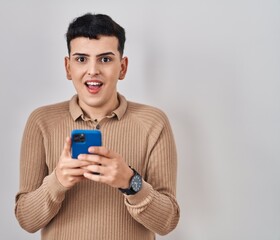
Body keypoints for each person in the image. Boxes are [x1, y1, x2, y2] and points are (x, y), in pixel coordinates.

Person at [15, 13, 180, 240]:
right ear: (68, 67)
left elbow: (167, 222)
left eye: (105, 59)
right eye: (81, 59)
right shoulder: (41, 121)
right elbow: (26, 220)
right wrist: (57, 181)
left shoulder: (153, 122)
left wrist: (131, 182)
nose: (93, 70)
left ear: (122, 67)